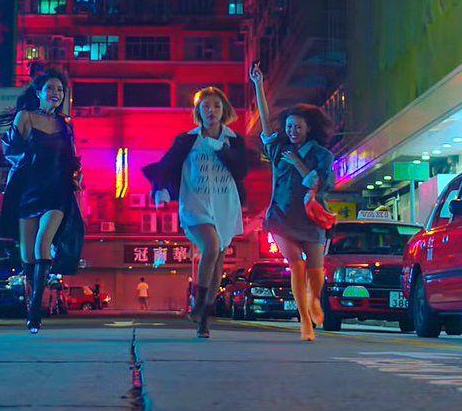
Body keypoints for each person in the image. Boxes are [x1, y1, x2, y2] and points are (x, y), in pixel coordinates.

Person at [144, 86, 250, 338]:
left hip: (224, 204)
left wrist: (221, 148)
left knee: (218, 259)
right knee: (211, 246)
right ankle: (199, 305)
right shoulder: (187, 140)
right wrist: (161, 189)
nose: (211, 110)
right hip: (195, 203)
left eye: (216, 106)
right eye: (206, 106)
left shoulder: (234, 140)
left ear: (224, 110)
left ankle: (204, 318)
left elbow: (241, 170)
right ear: (198, 111)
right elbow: (167, 165)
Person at [250, 62, 336, 341]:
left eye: (297, 127)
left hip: (311, 218)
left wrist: (298, 163)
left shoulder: (322, 155)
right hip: (281, 217)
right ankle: (304, 320)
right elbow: (266, 126)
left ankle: (314, 300)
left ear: (308, 128)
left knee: (316, 271)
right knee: (296, 264)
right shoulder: (279, 148)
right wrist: (258, 85)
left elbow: (319, 183)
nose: (292, 131)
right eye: (288, 126)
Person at [0, 69, 85, 333]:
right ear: (38, 93)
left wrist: (76, 175)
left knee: (43, 242)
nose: (56, 93)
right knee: (28, 257)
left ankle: (35, 311)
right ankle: (31, 298)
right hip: (27, 191)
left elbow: (72, 158)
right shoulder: (25, 117)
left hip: (57, 191)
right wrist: (30, 159)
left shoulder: (65, 124)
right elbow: (10, 151)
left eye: (60, 90)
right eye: (51, 89)